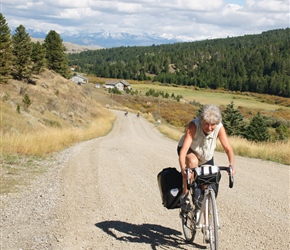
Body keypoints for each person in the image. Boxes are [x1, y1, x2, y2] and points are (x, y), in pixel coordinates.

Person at [177, 104, 235, 212]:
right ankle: (185, 196)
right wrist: (183, 169)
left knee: (207, 182)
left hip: (206, 156)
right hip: (190, 150)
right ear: (201, 120)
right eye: (206, 124)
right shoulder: (194, 125)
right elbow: (184, 150)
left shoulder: (219, 127)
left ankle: (205, 220)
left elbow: (228, 149)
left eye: (213, 125)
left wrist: (231, 165)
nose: (209, 128)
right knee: (192, 163)